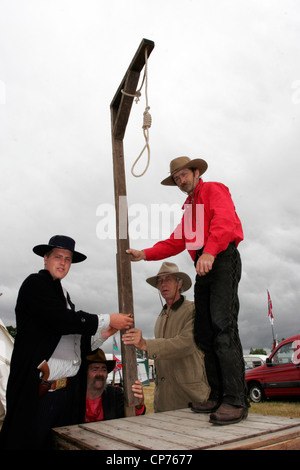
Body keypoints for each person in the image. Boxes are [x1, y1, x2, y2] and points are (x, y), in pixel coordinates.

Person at [126, 156, 249, 425]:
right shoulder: (190, 209)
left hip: (221, 257)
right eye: (177, 179)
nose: (181, 181)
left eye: (183, 175)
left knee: (222, 326)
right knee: (205, 334)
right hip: (203, 263)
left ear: (196, 172)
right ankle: (216, 395)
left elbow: (225, 222)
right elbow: (176, 241)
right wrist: (144, 253)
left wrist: (211, 252)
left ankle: (236, 399)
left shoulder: (213, 189)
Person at [0, 235, 133, 450]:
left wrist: (105, 333)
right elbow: (60, 320)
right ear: (45, 258)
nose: (63, 263)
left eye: (68, 259)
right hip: (42, 394)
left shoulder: (64, 296)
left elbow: (75, 343)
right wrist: (107, 319)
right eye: (58, 257)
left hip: (66, 393)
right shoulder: (35, 285)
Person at [122, 262, 210, 412]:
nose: (163, 284)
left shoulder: (194, 310)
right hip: (163, 401)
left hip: (192, 398)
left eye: (168, 279)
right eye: (160, 281)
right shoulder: (161, 317)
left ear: (179, 283)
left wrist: (145, 345)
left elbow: (186, 344)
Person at [85, 349, 145, 422]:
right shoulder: (72, 396)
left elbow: (132, 417)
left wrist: (139, 405)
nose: (100, 374)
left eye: (103, 370)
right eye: (95, 369)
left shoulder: (115, 395)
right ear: (85, 373)